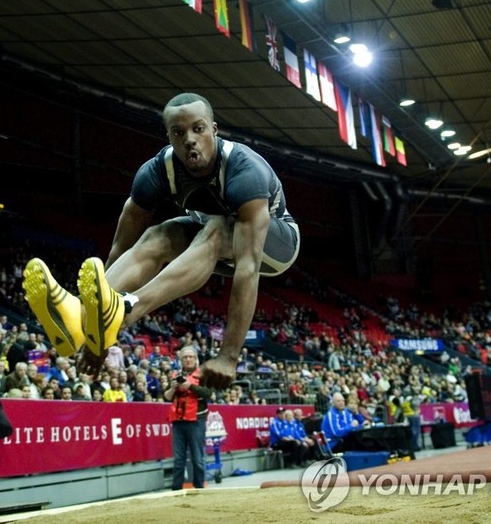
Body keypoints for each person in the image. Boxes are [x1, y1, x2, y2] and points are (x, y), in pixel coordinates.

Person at [23, 92, 299, 388]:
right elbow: (121, 249)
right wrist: (96, 331)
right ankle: (80, 316)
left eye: (198, 129)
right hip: (213, 236)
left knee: (217, 229)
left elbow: (247, 268)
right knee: (158, 234)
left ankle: (127, 311)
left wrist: (228, 356)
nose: (190, 139)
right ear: (169, 137)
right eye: (179, 133)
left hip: (276, 245)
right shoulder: (156, 172)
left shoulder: (244, 170)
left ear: (215, 130)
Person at [163, 346, 213, 490]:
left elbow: (209, 393)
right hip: (178, 421)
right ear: (181, 360)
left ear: (196, 359)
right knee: (178, 459)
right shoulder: (175, 375)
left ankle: (199, 488)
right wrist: (173, 388)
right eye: (185, 357)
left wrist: (190, 386)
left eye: (191, 357)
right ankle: (176, 489)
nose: (188, 359)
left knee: (197, 458)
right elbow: (166, 397)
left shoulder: (203, 375)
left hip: (196, 420)